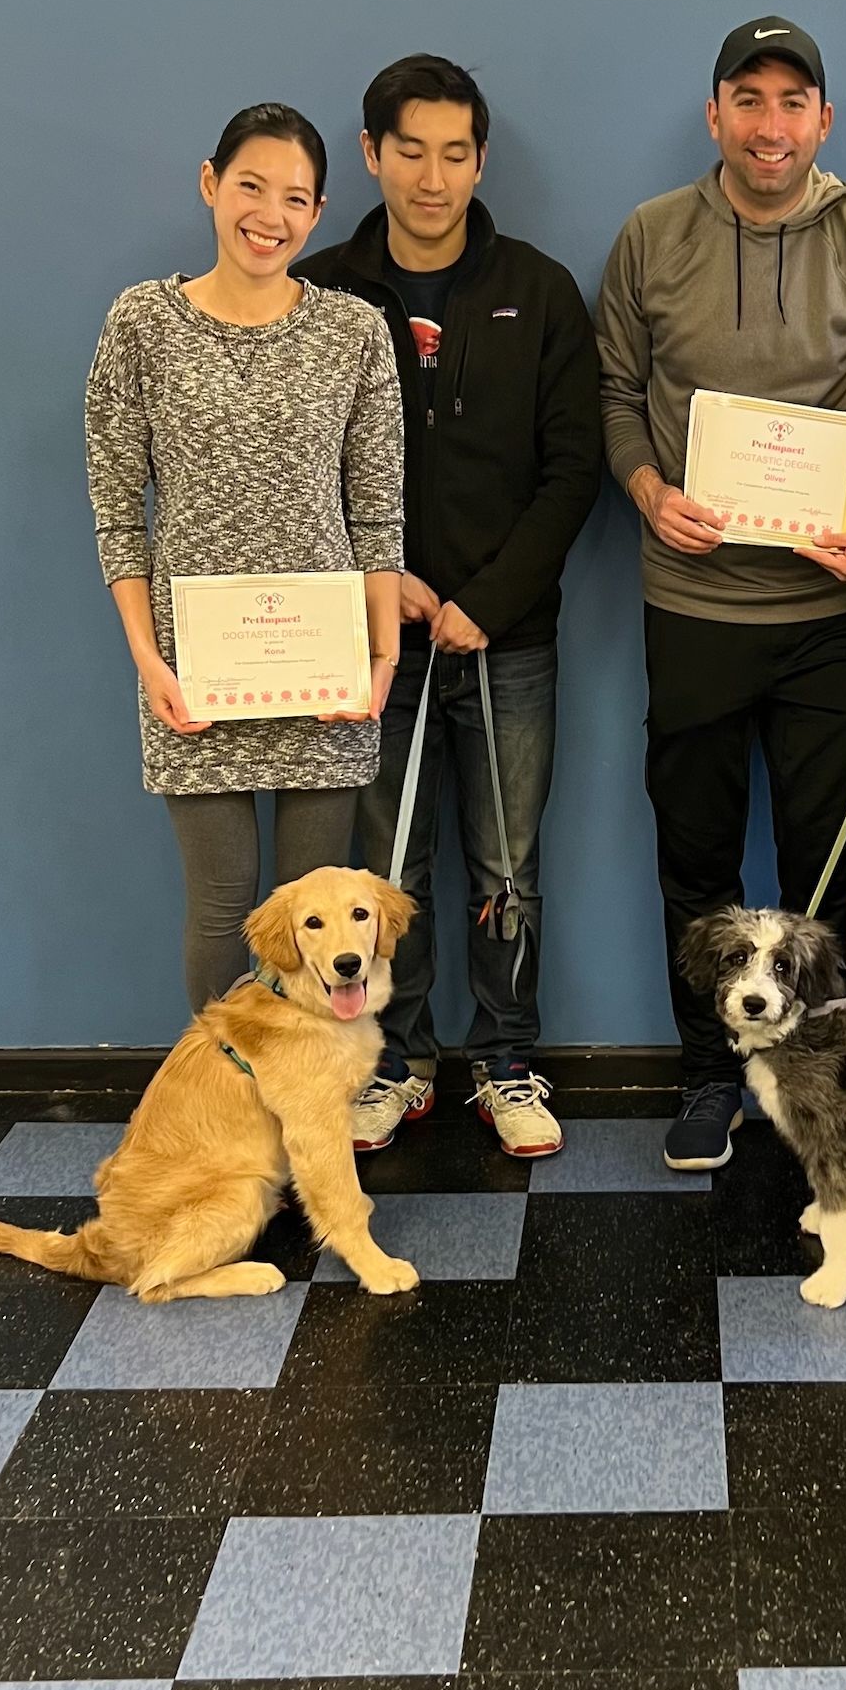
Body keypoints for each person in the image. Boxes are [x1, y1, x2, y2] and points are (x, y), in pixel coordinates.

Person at [598, 17, 846, 1168]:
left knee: (819, 865)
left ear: (821, 121)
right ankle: (705, 1078)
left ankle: (826, 1076)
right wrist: (644, 487)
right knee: (695, 859)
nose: (769, 123)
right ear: (714, 114)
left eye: (793, 102)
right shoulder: (651, 236)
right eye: (749, 98)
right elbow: (618, 390)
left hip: (826, 620)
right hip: (690, 605)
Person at [297, 56, 603, 1159]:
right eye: (409, 151)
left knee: (506, 862)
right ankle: (395, 1058)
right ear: (372, 154)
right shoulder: (321, 290)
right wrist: (385, 584)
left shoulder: (539, 286)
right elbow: (306, 470)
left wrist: (490, 596)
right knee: (387, 872)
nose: (433, 178)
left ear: (481, 160)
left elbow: (575, 466)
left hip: (504, 637)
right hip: (371, 637)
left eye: (456, 153)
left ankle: (507, 1059)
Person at [86, 104, 403, 1014]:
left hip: (326, 669)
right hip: (196, 673)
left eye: (295, 198)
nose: (270, 213)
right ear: (210, 184)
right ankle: (231, 1111)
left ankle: (310, 1106)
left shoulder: (354, 332)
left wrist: (380, 655)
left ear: (319, 212)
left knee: (325, 919)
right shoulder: (142, 323)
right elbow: (117, 513)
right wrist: (150, 661)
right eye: (251, 186)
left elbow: (378, 511)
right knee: (226, 909)